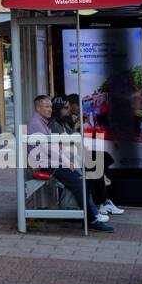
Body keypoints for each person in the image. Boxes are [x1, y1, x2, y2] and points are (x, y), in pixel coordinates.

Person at [27, 95, 112, 232]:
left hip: (51, 162)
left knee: (83, 177)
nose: (50, 110)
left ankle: (91, 215)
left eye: (51, 107)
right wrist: (66, 161)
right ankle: (92, 220)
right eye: (46, 107)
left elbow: (53, 147)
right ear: (38, 108)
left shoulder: (42, 121)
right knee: (79, 181)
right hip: (47, 165)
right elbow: (49, 149)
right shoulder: (37, 123)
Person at [68, 94, 121, 217]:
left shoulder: (75, 118)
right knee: (97, 164)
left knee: (106, 158)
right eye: (77, 106)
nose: (79, 108)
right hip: (73, 156)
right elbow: (69, 139)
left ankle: (103, 196)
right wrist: (75, 127)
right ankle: (103, 201)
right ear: (71, 105)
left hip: (78, 152)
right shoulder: (68, 120)